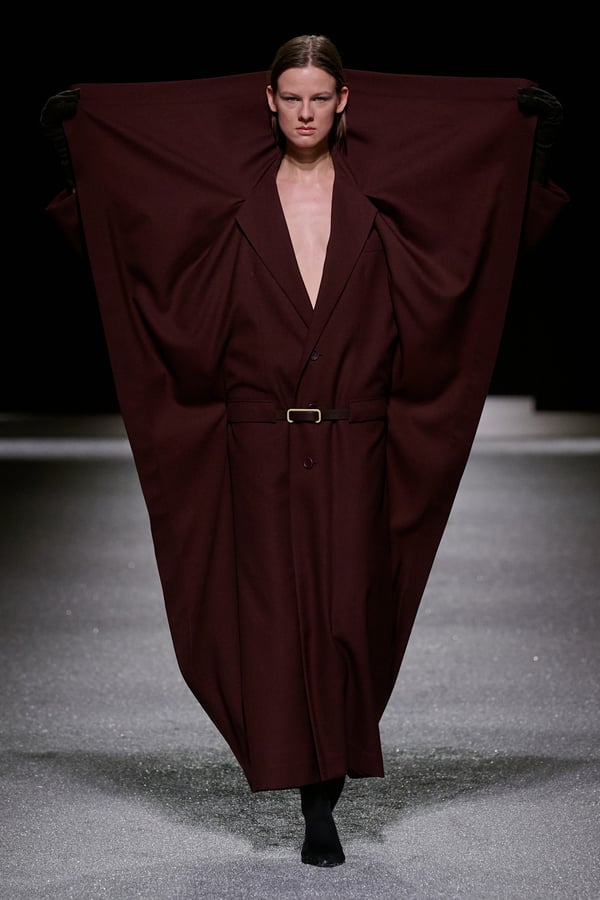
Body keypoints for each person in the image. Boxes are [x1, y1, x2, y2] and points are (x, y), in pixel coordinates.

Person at [40, 35, 568, 868]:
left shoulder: (379, 203)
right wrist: (80, 156)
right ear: (269, 101)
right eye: (292, 97)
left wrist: (527, 152)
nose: (306, 113)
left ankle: (324, 784)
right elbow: (146, 249)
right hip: (258, 442)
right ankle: (313, 797)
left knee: (349, 612)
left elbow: (467, 244)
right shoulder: (233, 205)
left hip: (355, 438)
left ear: (345, 100)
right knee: (273, 619)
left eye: (321, 97)